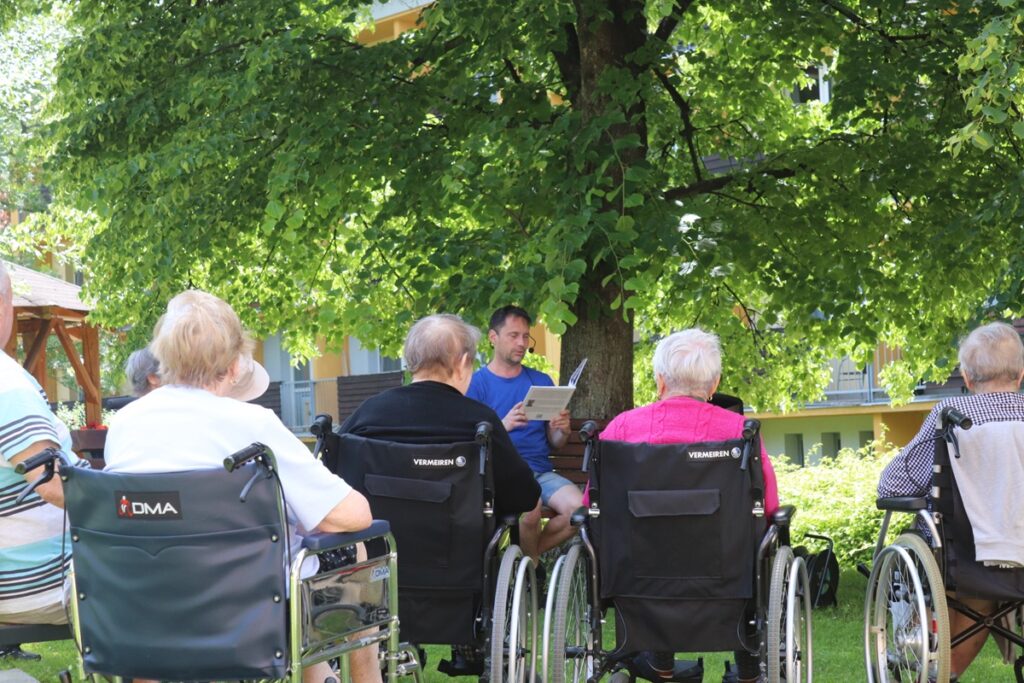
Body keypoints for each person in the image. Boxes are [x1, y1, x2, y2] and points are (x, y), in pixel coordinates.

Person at [103, 290, 379, 683]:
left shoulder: (126, 425)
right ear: (235, 366)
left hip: (144, 607)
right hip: (249, 612)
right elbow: (352, 514)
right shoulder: (252, 425)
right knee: (357, 548)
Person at [600, 328, 778, 683]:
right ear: (714, 384)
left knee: (657, 543)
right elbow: (768, 505)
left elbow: (596, 500)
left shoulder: (620, 429)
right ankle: (747, 670)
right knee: (750, 543)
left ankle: (660, 661)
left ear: (660, 380)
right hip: (727, 578)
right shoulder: (741, 432)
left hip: (638, 575)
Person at [878, 321, 1024, 679]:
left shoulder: (950, 417)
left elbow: (893, 486)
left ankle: (939, 668)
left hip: (971, 560)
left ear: (967, 377)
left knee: (975, 578)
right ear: (1020, 374)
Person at [338, 313, 540, 518]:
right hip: (462, 545)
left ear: (411, 360)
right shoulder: (481, 422)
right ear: (463, 363)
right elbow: (525, 496)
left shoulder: (368, 414)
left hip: (382, 545)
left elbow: (333, 477)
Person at [0, 261, 81, 661]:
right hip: (36, 585)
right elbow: (51, 483)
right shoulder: (6, 383)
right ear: (4, 306)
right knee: (172, 574)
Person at [467, 305, 580, 560]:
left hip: (541, 472)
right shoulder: (476, 384)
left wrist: (561, 430)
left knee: (579, 510)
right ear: (493, 338)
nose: (521, 342)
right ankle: (531, 577)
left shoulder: (541, 381)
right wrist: (502, 426)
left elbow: (556, 443)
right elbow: (469, 441)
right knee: (531, 509)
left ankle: (525, 563)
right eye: (513, 335)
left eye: (526, 336)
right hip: (502, 474)